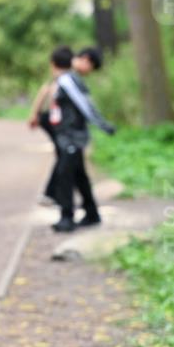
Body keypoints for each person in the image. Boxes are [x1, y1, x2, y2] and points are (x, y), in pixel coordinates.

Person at [49, 46, 116, 232]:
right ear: (85, 59)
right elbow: (85, 105)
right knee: (78, 176)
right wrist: (103, 125)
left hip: (73, 137)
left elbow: (85, 106)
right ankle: (91, 213)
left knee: (65, 175)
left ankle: (67, 218)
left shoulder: (69, 79)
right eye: (92, 67)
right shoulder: (68, 79)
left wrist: (103, 125)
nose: (90, 72)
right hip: (70, 137)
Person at [28, 46, 74, 204]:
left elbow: (42, 95)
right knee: (63, 155)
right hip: (55, 121)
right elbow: (45, 93)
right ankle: (52, 193)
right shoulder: (65, 80)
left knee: (62, 154)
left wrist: (34, 114)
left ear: (52, 63)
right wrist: (35, 114)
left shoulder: (58, 79)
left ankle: (54, 192)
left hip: (49, 119)